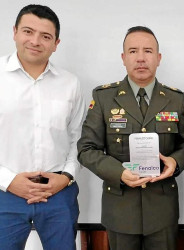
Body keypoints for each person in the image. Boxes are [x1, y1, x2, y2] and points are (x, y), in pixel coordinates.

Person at [77, 26, 184, 250]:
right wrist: (118, 173)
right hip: (120, 208)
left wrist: (175, 162)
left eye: (148, 51)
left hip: (162, 209)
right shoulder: (104, 98)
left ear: (158, 58)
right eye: (133, 51)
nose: (141, 58)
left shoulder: (174, 98)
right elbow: (86, 149)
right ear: (123, 58)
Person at [0, 4, 85, 250]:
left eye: (45, 36)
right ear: (15, 32)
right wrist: (9, 180)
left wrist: (66, 177)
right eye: (28, 31)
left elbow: (77, 136)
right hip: (5, 194)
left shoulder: (70, 83)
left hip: (58, 194)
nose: (35, 41)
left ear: (56, 43)